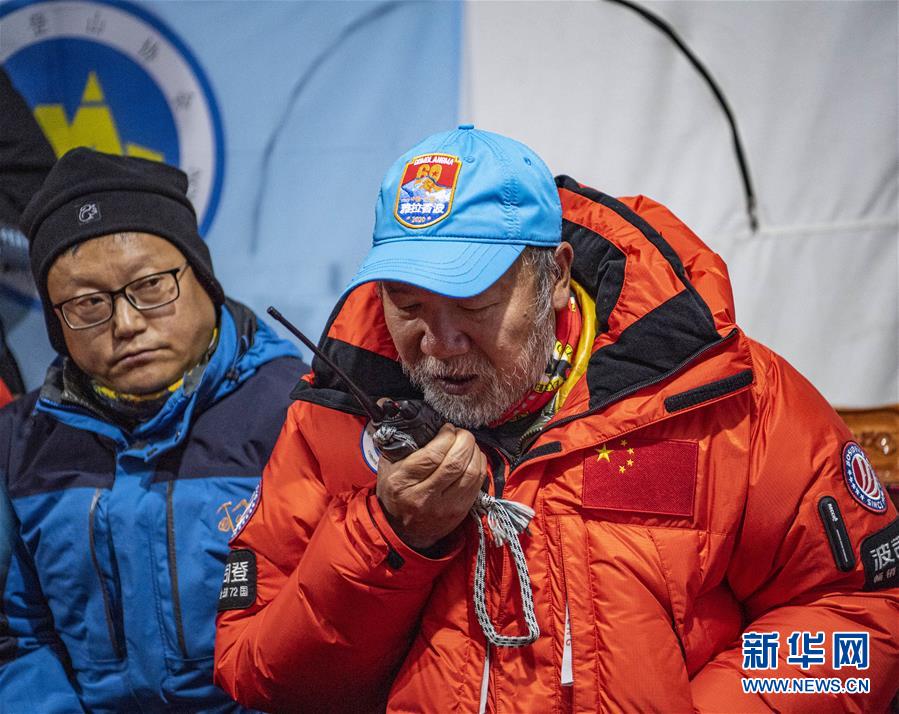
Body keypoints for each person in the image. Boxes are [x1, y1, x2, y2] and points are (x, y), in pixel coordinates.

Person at [215, 126, 899, 712]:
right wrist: (391, 536)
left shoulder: (718, 394)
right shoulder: (337, 416)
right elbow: (259, 671)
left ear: (555, 276)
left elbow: (862, 614)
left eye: (474, 303)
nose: (439, 342)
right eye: (407, 304)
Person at [0, 148, 306, 711]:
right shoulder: (18, 445)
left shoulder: (298, 416)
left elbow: (337, 625)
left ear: (203, 278)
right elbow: (16, 634)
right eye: (87, 304)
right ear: (55, 323)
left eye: (151, 286)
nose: (126, 323)